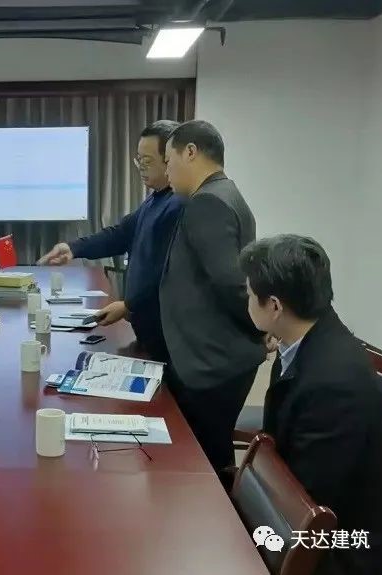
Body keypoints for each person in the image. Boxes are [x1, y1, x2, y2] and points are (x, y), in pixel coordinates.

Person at [240, 235, 382, 575]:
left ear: (275, 306)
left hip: (339, 549)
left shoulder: (334, 384)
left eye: (249, 294)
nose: (246, 301)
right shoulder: (304, 338)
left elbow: (304, 501)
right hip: (301, 513)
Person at [159, 120, 266, 472]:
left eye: (169, 161)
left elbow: (231, 282)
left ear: (190, 152)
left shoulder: (208, 202)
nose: (167, 172)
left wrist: (261, 327)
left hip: (211, 361)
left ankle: (221, 506)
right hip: (217, 356)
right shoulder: (225, 192)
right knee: (209, 452)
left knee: (205, 460)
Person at [37, 120, 183, 362]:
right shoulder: (156, 199)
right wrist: (73, 248)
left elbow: (164, 273)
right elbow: (120, 234)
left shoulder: (177, 205)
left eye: (147, 161)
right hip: (146, 330)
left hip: (165, 337)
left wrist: (129, 306)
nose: (141, 168)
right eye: (139, 160)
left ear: (169, 159)